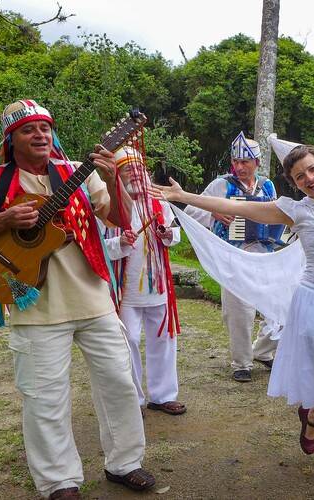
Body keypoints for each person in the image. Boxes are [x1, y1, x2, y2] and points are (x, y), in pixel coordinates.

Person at [151, 144, 314, 494]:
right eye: (299, 176)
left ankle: (312, 419)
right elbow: (234, 206)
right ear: (293, 183)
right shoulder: (294, 211)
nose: (310, 178)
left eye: (313, 169)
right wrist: (183, 195)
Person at [0, 100, 155, 499]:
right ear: (11, 139)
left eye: (45, 128)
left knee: (121, 383)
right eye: (28, 130)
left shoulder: (75, 173)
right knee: (45, 397)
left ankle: (125, 463)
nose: (40, 135)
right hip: (31, 303)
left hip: (93, 299)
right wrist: (3, 220)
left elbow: (123, 221)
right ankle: (59, 481)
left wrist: (110, 180)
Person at [183, 131, 280, 383]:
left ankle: (263, 350)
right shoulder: (221, 185)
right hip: (232, 254)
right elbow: (192, 211)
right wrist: (214, 213)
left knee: (278, 306)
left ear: (257, 163)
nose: (239, 167)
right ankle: (242, 362)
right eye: (236, 162)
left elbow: (276, 216)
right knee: (239, 310)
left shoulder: (267, 186)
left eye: (245, 162)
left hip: (263, 255)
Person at [102, 146, 186, 417]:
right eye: (128, 170)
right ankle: (132, 399)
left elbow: (176, 234)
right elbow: (99, 246)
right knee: (127, 342)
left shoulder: (158, 201)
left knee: (164, 338)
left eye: (139, 169)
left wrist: (167, 235)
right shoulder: (107, 203)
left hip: (158, 286)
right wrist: (120, 242)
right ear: (118, 175)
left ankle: (163, 396)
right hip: (125, 290)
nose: (136, 175)